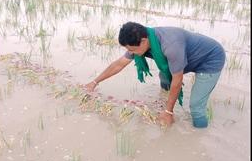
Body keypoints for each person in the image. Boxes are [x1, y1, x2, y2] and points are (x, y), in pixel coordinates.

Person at [84, 21, 225, 129]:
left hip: (209, 59)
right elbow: (118, 64)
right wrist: (94, 82)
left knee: (196, 107)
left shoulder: (170, 46)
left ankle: (199, 135)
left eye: (132, 50)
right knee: (165, 75)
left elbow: (177, 80)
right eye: (128, 50)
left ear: (144, 41)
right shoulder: (142, 40)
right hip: (187, 55)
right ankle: (165, 97)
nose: (130, 53)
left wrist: (168, 113)